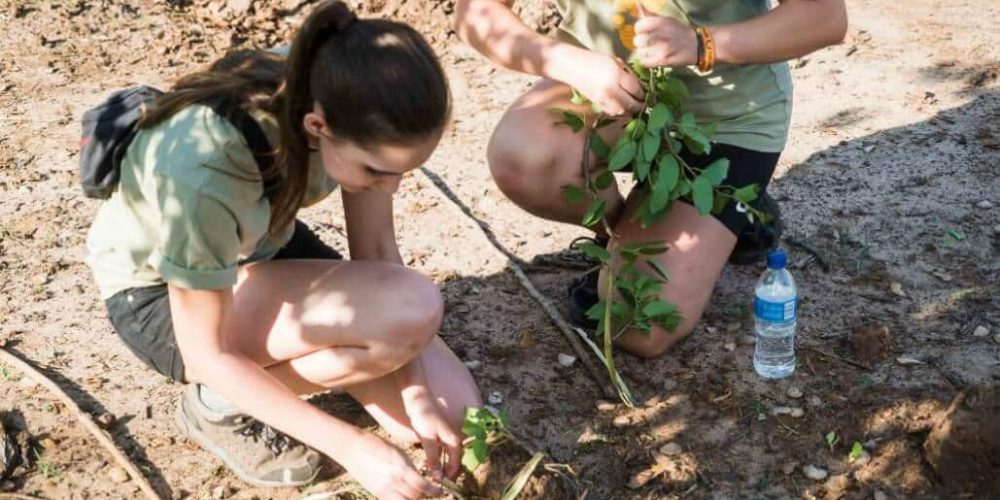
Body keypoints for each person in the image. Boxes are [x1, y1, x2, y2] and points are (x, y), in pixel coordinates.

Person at [84, 2, 480, 497]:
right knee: (409, 307)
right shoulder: (204, 172)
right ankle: (216, 406)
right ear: (317, 128)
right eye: (378, 172)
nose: (391, 186)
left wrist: (417, 389)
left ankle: (296, 369)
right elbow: (207, 351)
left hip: (259, 247)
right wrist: (354, 447)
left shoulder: (352, 91)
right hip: (159, 298)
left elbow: (376, 250)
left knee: (455, 416)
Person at [455, 0, 847, 357]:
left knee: (639, 324)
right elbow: (474, 12)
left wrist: (702, 44)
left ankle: (719, 209)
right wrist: (569, 63)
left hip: (727, 122)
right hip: (605, 91)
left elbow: (824, 18)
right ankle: (619, 236)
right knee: (523, 158)